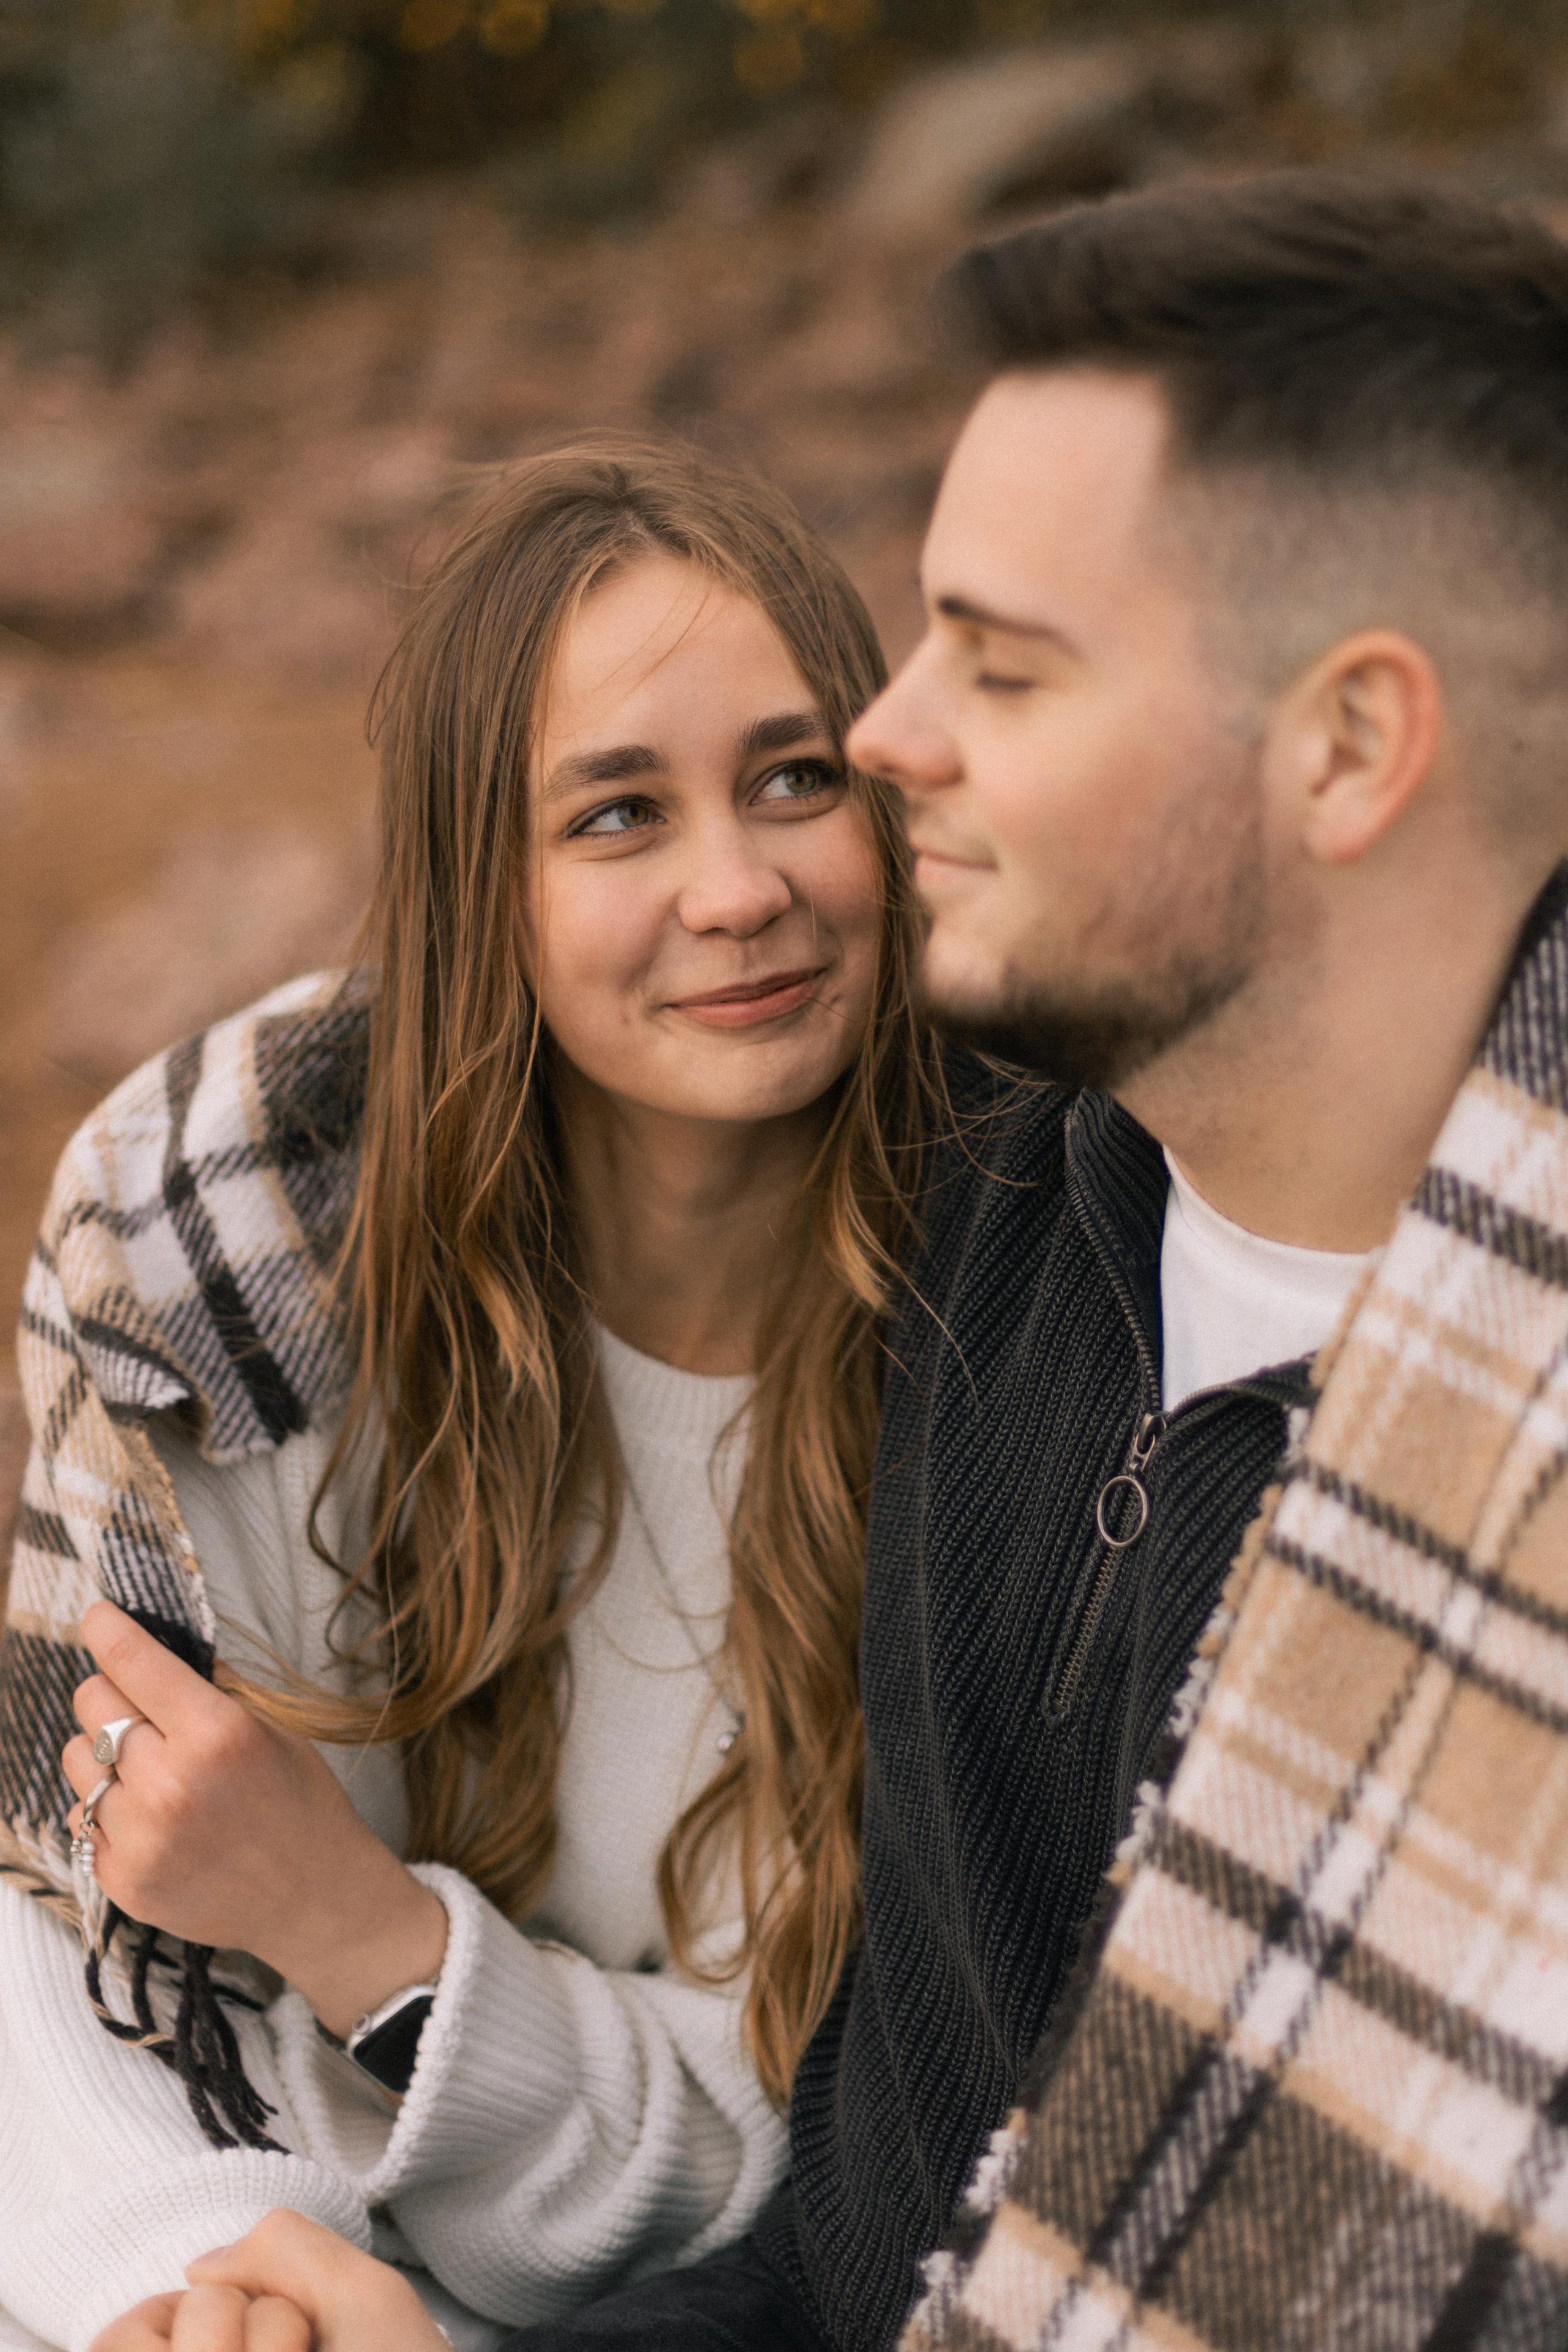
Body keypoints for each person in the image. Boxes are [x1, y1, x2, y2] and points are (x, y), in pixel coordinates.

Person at [64, 168, 1568, 2351]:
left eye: (1005, 666)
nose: (886, 745)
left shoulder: (1443, 1464)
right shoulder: (1045, 1273)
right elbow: (869, 2258)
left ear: (1349, 745)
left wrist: (387, 1963)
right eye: (619, 811)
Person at [0, 436, 941, 2351]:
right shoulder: (222, 1240)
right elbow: (73, 1914)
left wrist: (365, 1933)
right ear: (476, 886)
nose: (738, 888)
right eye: (620, 814)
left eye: (795, 778)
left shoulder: (1015, 1308)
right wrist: (187, 2279)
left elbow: (837, 2135)